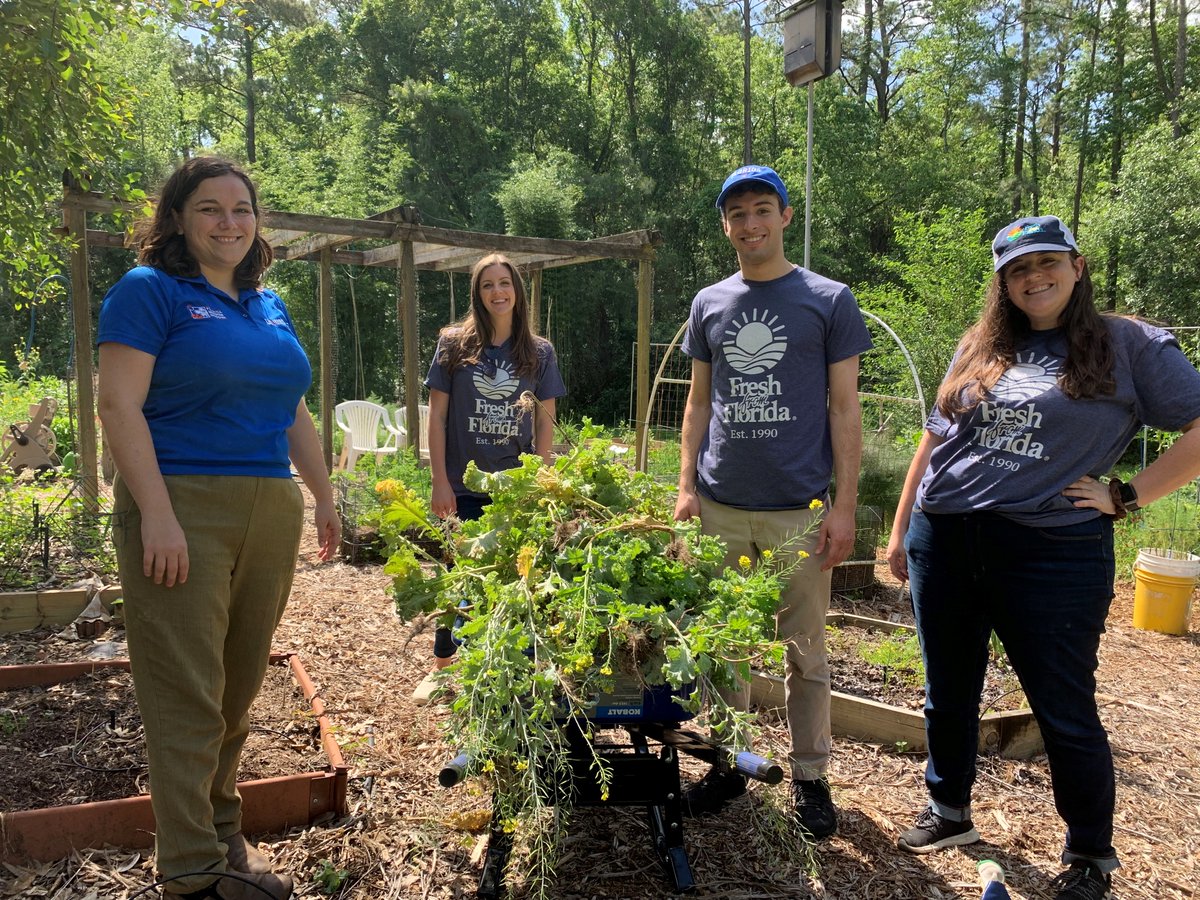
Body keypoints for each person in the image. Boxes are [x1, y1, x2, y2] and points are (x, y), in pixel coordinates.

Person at [886, 215, 1200, 899]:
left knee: (1062, 705)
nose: (1034, 278)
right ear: (1003, 283)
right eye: (1018, 270)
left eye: (1046, 262)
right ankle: (949, 810)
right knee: (948, 689)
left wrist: (1129, 495)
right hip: (945, 538)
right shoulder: (982, 344)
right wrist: (902, 527)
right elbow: (935, 437)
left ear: (1077, 267)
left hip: (1050, 550)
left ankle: (1089, 854)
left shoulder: (1130, 343)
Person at [98, 157, 340, 900]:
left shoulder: (268, 304)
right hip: (182, 504)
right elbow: (118, 407)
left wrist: (326, 499)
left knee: (235, 690)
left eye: (242, 208)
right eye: (210, 208)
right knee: (185, 694)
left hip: (269, 508)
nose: (230, 222)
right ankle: (192, 874)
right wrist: (159, 517)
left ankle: (221, 832)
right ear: (177, 219)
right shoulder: (150, 292)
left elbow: (292, 409)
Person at [673, 164, 873, 838]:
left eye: (762, 209)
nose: (750, 224)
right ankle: (731, 763)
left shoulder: (828, 298)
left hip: (798, 511)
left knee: (805, 652)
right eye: (737, 214)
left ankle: (812, 779)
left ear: (785, 216)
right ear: (724, 225)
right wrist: (685, 488)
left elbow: (845, 409)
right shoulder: (709, 302)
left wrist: (843, 506)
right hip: (722, 503)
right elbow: (697, 403)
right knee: (724, 644)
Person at [411, 252, 566, 702]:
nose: (498, 292)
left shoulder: (539, 352)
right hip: (463, 487)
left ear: (518, 290)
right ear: (477, 294)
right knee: (457, 578)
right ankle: (441, 669)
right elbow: (437, 418)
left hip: (516, 488)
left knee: (509, 581)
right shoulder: (454, 345)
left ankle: (495, 673)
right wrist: (440, 480)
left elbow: (545, 424)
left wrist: (543, 483)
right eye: (487, 285)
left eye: (505, 283)